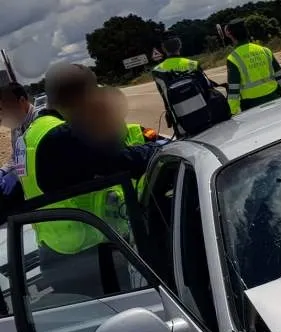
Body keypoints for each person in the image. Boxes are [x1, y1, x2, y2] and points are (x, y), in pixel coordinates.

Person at [20, 63, 164, 297]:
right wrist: (157, 149)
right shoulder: (63, 136)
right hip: (90, 257)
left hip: (57, 251)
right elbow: (122, 162)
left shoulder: (33, 133)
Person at [224, 18, 281, 115]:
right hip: (274, 97)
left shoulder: (233, 58)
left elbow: (234, 89)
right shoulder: (265, 50)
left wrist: (233, 111)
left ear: (230, 35)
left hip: (251, 106)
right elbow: (280, 75)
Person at [0, 82, 38, 219]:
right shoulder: (16, 125)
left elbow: (41, 158)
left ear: (22, 101)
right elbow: (16, 156)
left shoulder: (39, 120)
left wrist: (16, 175)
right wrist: (3, 170)